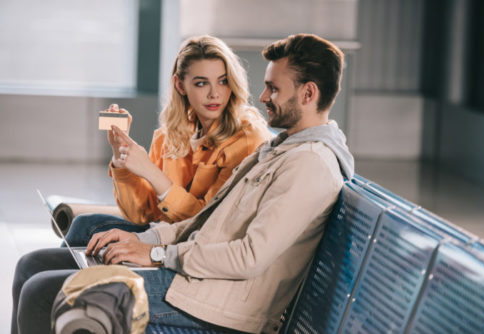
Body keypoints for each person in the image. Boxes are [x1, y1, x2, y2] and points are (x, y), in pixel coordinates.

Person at [12, 33, 355, 334]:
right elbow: (202, 222)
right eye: (266, 85)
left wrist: (157, 254)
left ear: (308, 94)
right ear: (181, 85)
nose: (262, 97)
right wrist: (142, 240)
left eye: (274, 88)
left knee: (43, 293)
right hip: (194, 278)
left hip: (215, 302)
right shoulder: (278, 151)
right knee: (32, 268)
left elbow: (249, 256)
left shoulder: (309, 163)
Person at [63, 35, 271, 247]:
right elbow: (142, 214)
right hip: (162, 231)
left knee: (71, 247)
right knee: (83, 225)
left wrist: (151, 172)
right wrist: (121, 157)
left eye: (223, 81)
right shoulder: (170, 135)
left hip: (192, 246)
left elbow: (206, 222)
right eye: (201, 83)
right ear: (180, 86)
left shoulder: (246, 139)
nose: (214, 94)